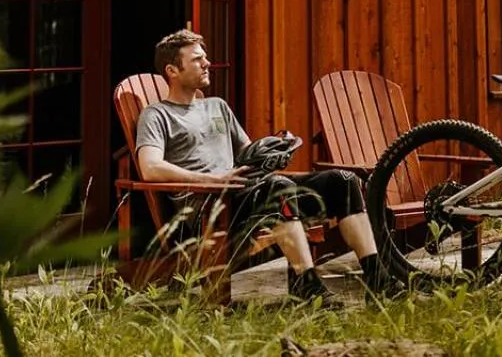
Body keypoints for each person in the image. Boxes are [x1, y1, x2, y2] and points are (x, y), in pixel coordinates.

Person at [134, 29, 394, 301]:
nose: (207, 63)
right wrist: (215, 180)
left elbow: (246, 152)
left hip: (246, 191)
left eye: (205, 57)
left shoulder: (217, 106)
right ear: (172, 71)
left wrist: (271, 153)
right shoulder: (156, 115)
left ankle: (378, 279)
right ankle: (307, 285)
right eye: (197, 59)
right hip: (212, 208)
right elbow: (150, 167)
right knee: (279, 187)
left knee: (342, 181)